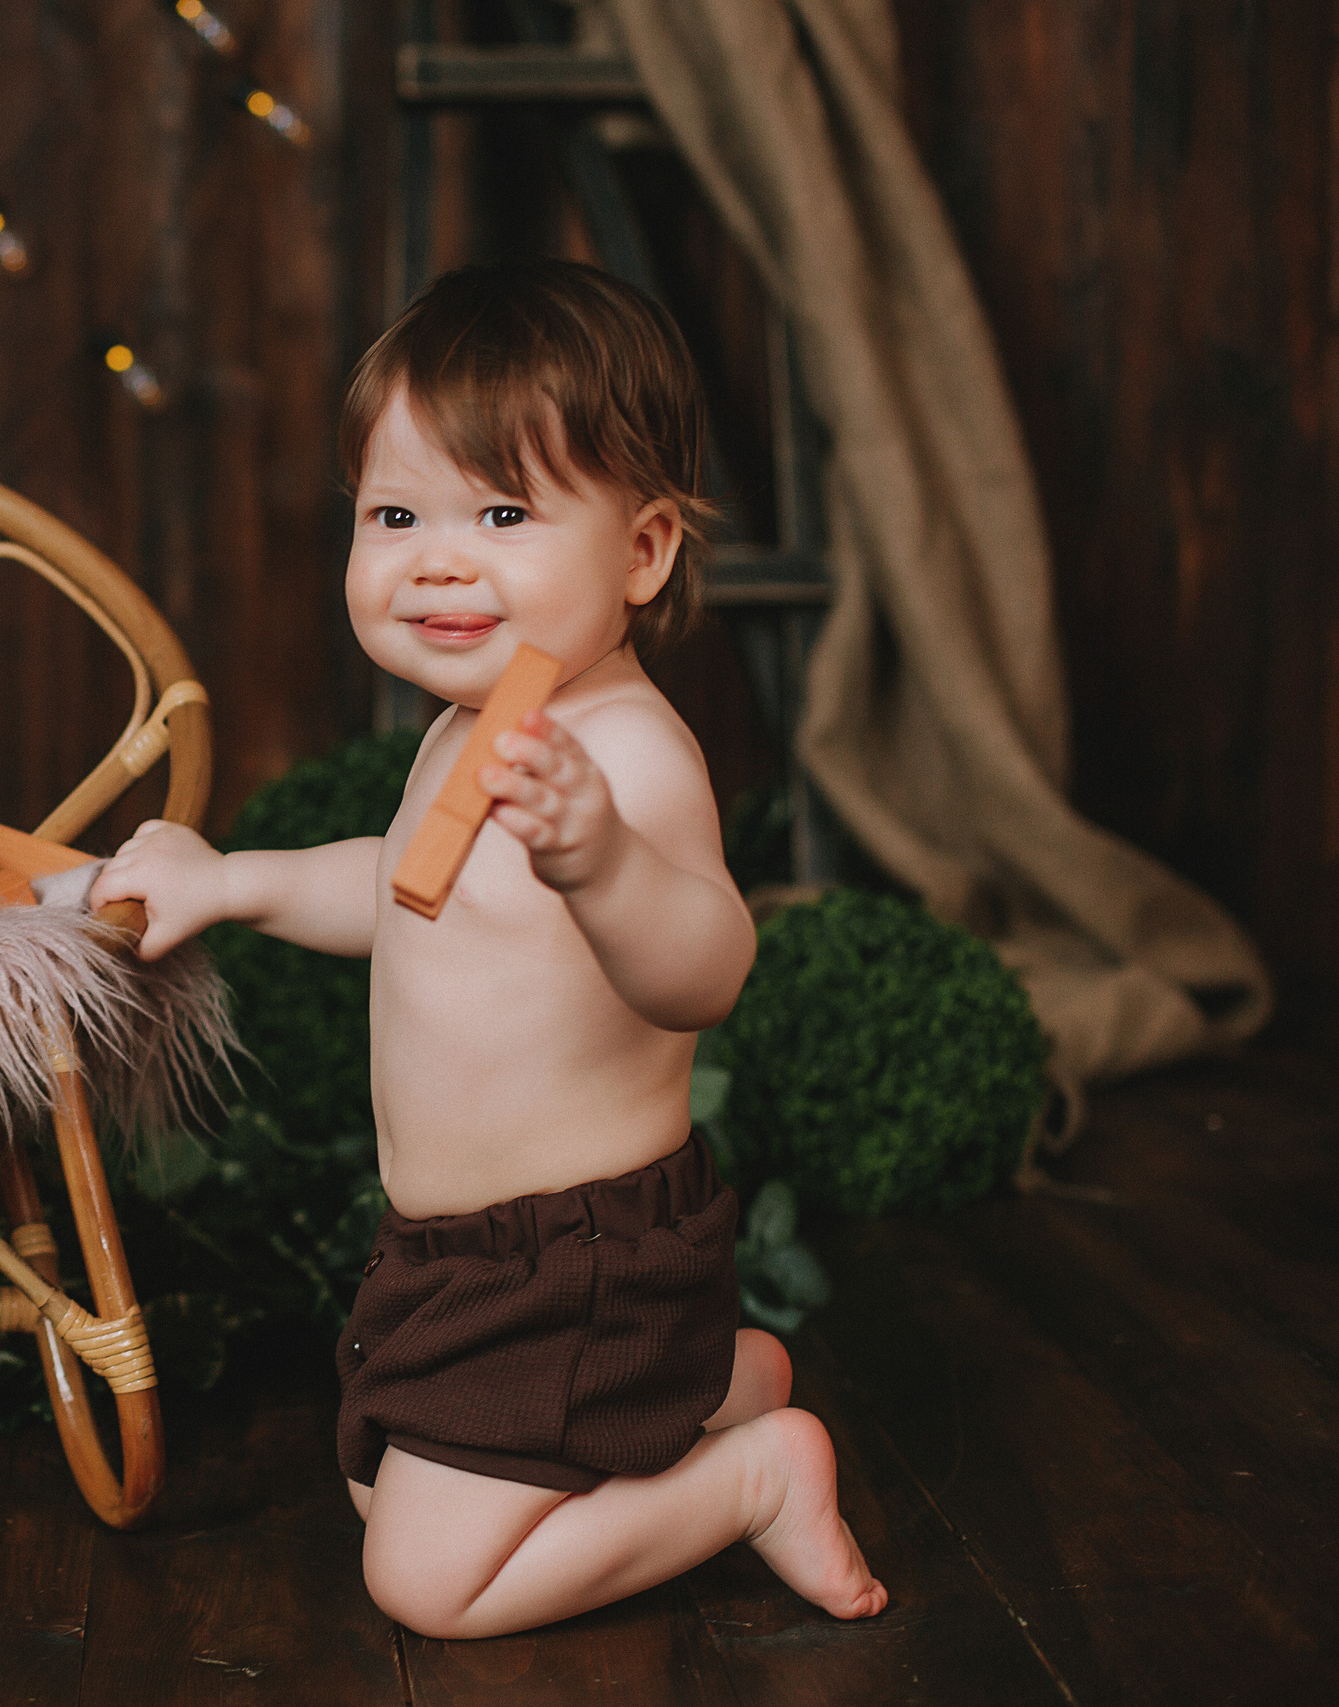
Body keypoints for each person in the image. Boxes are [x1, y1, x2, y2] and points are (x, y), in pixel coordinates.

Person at [87, 260, 886, 1640]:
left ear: (642, 552)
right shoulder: (471, 731)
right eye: (395, 514)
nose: (437, 559)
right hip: (459, 1252)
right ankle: (706, 1381)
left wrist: (604, 864)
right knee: (372, 1482)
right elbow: (406, 888)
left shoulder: (623, 755)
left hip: (568, 1258)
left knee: (427, 1580)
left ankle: (751, 1477)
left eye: (504, 513)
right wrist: (235, 881)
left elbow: (707, 964)